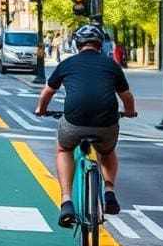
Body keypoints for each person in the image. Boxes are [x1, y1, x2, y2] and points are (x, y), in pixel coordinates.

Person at [35, 23, 137, 227]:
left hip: (75, 121)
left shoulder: (67, 64)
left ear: (77, 44)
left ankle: (66, 201)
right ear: (100, 44)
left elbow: (47, 93)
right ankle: (109, 191)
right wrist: (129, 112)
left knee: (63, 149)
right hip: (106, 121)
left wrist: (41, 109)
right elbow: (126, 96)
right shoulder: (111, 65)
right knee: (107, 152)